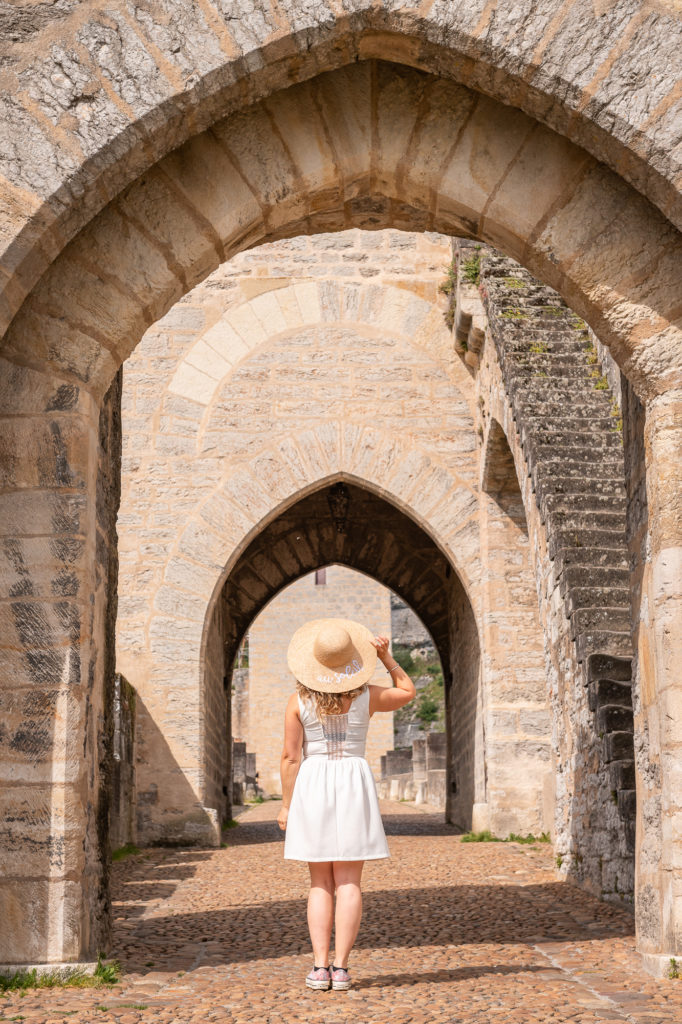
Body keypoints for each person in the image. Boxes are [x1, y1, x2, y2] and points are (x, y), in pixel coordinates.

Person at [277, 617, 416, 991]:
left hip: (314, 781)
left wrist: (287, 805)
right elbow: (407, 691)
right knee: (350, 881)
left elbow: (291, 758)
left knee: (320, 881)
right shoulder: (367, 695)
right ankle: (341, 968)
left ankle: (319, 968)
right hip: (353, 780)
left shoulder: (298, 701)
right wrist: (387, 658)